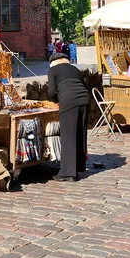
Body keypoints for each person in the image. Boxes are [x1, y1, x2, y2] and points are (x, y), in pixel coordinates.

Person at [47, 53, 90, 182]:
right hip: (85, 99)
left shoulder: (53, 70)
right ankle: (79, 167)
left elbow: (52, 92)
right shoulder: (74, 69)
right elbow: (82, 84)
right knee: (80, 134)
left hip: (69, 101)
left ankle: (68, 172)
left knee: (68, 136)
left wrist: (55, 100)